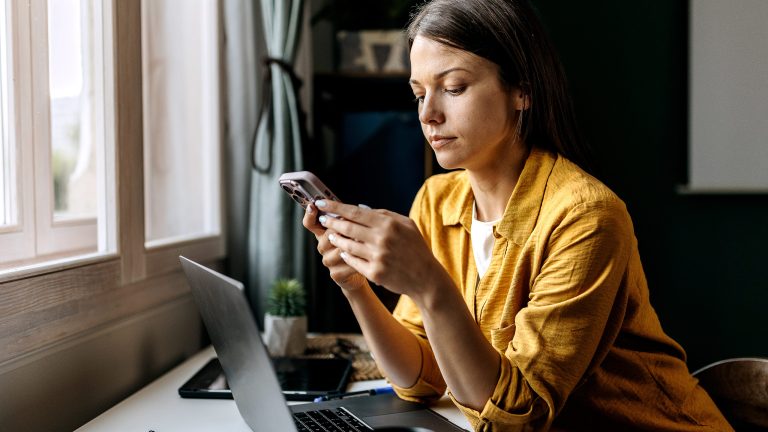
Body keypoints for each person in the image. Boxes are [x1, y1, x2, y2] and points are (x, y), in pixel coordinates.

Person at [302, 0, 732, 430]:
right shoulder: (437, 200)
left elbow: (517, 415)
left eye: (453, 88)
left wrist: (429, 283)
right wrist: (355, 286)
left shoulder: (587, 216)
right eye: (419, 93)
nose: (428, 115)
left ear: (522, 91)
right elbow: (422, 378)